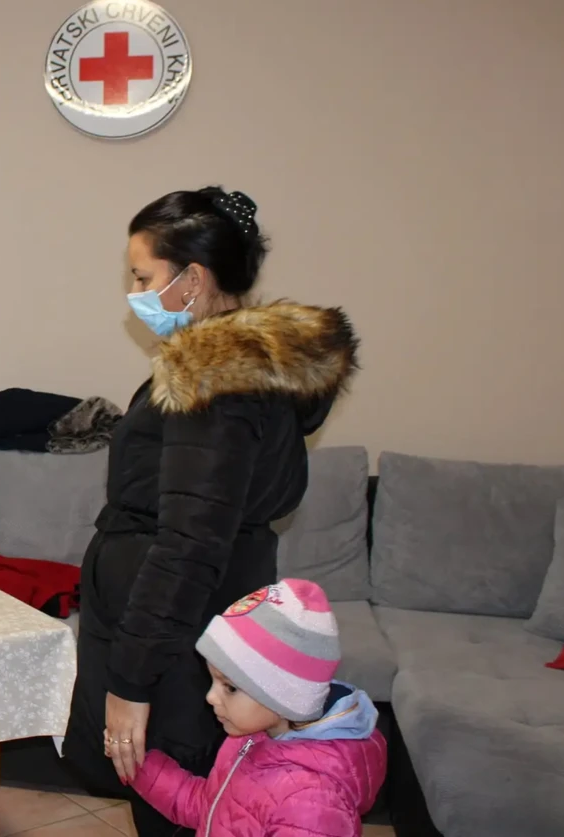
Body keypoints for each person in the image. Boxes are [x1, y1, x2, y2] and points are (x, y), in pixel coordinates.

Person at [60, 187, 359, 837]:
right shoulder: (238, 371)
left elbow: (187, 547)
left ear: (192, 281)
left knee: (177, 803)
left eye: (143, 277)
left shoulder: (213, 381)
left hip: (174, 650)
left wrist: (130, 683)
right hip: (187, 631)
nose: (134, 293)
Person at [132, 579, 388, 836]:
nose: (211, 697)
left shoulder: (311, 805)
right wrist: (138, 764)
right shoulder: (252, 737)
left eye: (229, 687)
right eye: (213, 681)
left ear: (283, 697)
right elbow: (211, 809)